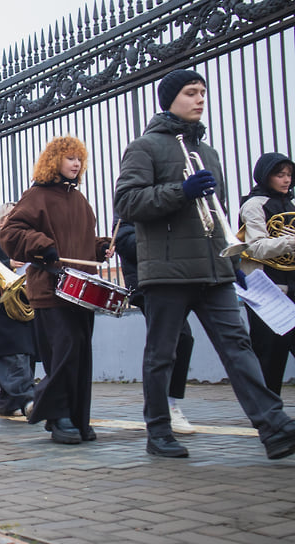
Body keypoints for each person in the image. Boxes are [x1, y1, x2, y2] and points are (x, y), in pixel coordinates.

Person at [114, 68, 295, 459]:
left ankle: (274, 426)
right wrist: (180, 190)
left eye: (202, 92)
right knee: (162, 355)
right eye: (191, 92)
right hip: (166, 272)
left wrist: (232, 264)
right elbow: (127, 203)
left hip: (213, 269)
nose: (200, 99)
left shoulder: (207, 151)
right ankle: (158, 432)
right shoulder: (144, 147)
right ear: (170, 99)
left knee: (238, 347)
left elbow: (219, 213)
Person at [1, 137, 112, 444]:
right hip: (50, 290)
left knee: (80, 357)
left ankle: (76, 417)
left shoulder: (80, 200)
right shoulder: (36, 195)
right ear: (55, 161)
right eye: (70, 158)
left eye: (79, 158)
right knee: (63, 356)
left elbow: (80, 244)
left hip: (82, 292)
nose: (76, 164)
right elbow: (11, 234)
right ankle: (57, 416)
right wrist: (41, 246)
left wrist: (100, 248)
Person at [115, 218, 197, 434]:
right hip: (147, 281)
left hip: (177, 277)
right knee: (171, 339)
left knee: (182, 339)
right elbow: (126, 242)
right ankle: (165, 407)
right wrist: (165, 238)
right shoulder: (135, 194)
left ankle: (167, 403)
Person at [238, 152, 295, 395]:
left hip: (291, 284)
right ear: (265, 176)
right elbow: (256, 247)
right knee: (270, 354)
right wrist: (290, 242)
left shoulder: (290, 204)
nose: (286, 180)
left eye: (289, 175)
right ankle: (268, 412)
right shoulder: (254, 205)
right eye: (280, 175)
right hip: (267, 289)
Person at [0, 203, 36, 418]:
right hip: (3, 308)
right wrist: (8, 263)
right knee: (13, 355)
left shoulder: (23, 241)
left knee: (25, 355)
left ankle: (7, 403)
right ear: (2, 220)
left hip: (25, 306)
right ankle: (29, 400)